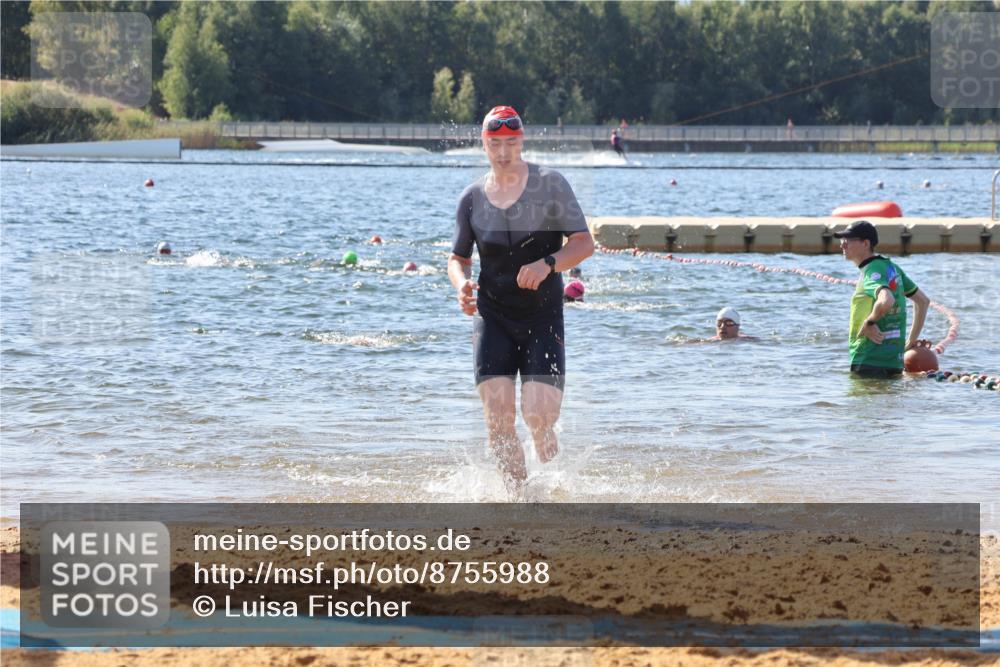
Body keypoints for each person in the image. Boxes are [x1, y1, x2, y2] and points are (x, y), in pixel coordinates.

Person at [448, 106, 594, 491]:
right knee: (498, 416)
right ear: (484, 144)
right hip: (492, 316)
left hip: (541, 317)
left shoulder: (551, 186)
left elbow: (583, 243)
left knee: (538, 415)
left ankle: (556, 489)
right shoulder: (472, 198)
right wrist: (461, 284)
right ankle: (521, 500)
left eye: (511, 143)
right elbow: (457, 259)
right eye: (495, 144)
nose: (503, 152)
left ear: (522, 142)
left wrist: (549, 263)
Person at [834, 220, 931, 378]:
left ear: (866, 243)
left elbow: (887, 300)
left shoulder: (872, 270)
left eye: (848, 241)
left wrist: (869, 322)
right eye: (842, 240)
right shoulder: (891, 267)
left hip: (868, 359)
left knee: (861, 402)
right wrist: (909, 342)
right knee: (887, 401)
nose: (842, 245)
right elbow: (923, 301)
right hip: (894, 361)